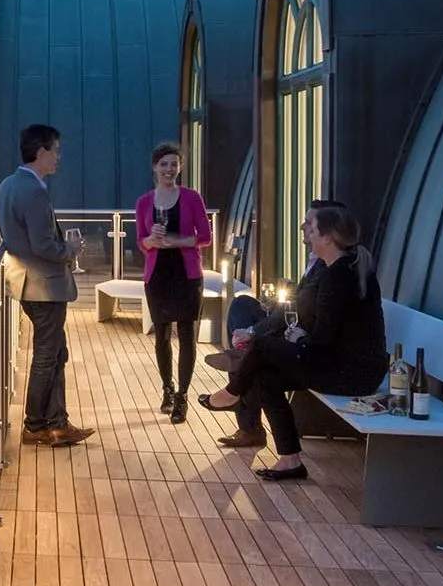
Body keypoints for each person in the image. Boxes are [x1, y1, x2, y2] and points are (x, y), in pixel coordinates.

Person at [197, 200, 387, 479]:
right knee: (263, 376)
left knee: (262, 346)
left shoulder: (339, 276)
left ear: (328, 236)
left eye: (312, 227)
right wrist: (296, 336)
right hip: (335, 362)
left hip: (349, 372)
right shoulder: (337, 268)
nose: (306, 231)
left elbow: (323, 337)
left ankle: (232, 392)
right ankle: (290, 459)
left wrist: (297, 338)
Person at [0, 123, 94, 447]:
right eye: (55, 150)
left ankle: (56, 422)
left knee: (55, 352)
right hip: (45, 286)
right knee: (47, 356)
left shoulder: (7, 185)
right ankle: (36, 425)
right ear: (41, 152)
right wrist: (71, 252)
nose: (59, 158)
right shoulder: (35, 191)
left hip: (24, 283)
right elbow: (43, 245)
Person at [135, 142, 211, 423]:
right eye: (164, 164)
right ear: (154, 168)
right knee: (162, 335)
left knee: (187, 334)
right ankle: (167, 388)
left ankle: (182, 397)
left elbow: (204, 237)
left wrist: (174, 241)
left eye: (174, 164)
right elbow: (141, 242)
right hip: (157, 276)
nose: (169, 169)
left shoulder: (192, 198)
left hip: (187, 275)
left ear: (180, 168)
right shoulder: (144, 201)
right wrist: (151, 241)